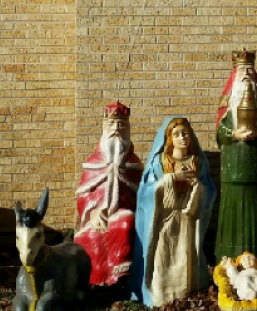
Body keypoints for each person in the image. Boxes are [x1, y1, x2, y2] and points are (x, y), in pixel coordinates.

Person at [130, 117, 216, 307]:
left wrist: (197, 187)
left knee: (188, 254)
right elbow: (146, 191)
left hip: (189, 217)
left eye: (185, 133)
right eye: (176, 134)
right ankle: (163, 294)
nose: (182, 138)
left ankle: (187, 291)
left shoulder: (197, 162)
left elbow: (209, 189)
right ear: (169, 138)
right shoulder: (160, 163)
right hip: (165, 219)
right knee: (164, 254)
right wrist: (171, 178)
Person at [215, 50, 257, 261]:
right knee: (233, 214)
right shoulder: (228, 103)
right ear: (235, 73)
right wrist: (233, 134)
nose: (246, 74)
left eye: (249, 70)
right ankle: (229, 259)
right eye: (242, 70)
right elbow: (219, 131)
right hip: (233, 169)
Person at [74, 101, 143, 285]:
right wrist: (93, 211)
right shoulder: (93, 162)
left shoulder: (134, 163)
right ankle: (97, 279)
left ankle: (119, 278)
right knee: (92, 237)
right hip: (97, 218)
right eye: (111, 124)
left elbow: (141, 197)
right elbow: (84, 196)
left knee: (126, 222)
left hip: (124, 217)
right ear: (104, 127)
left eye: (121, 124)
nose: (116, 129)